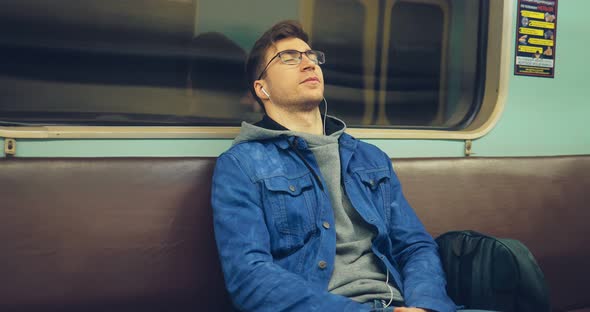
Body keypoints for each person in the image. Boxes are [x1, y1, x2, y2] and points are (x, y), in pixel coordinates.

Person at [211, 20, 486, 312]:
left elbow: (415, 246)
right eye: (289, 58)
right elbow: (250, 278)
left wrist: (425, 305)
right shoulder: (241, 166)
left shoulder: (370, 158)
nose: (308, 64)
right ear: (262, 88)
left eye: (312, 56)